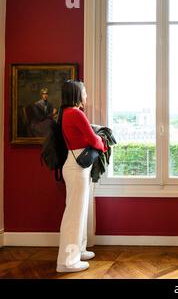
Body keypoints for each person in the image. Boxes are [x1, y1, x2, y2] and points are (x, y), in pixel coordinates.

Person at [56, 80, 107, 273]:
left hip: (75, 165)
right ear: (77, 94)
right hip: (77, 168)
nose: (86, 95)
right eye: (84, 92)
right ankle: (67, 262)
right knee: (74, 215)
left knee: (80, 212)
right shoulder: (75, 113)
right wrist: (102, 143)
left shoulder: (67, 113)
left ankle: (79, 250)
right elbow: (93, 139)